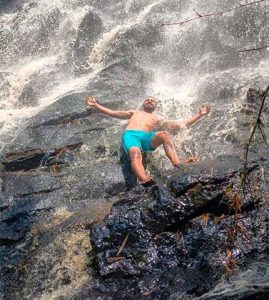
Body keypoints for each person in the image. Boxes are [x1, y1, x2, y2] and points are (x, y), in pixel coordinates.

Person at [85, 96, 210, 186]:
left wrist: (200, 114)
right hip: (131, 136)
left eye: (153, 101)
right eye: (147, 100)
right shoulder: (134, 112)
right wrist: (96, 105)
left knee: (164, 134)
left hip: (147, 138)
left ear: (155, 106)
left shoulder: (157, 118)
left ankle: (177, 164)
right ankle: (144, 178)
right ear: (143, 104)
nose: (150, 101)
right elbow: (112, 112)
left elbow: (180, 124)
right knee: (135, 153)